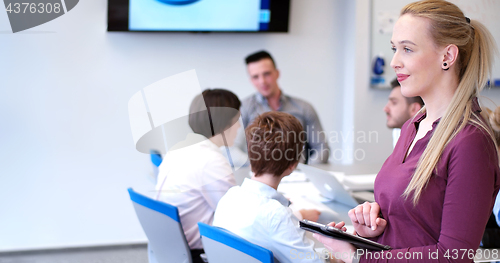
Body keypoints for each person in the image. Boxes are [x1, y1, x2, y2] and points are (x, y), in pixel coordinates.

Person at [314, 1, 500, 262]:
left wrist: (357, 257)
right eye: (394, 49)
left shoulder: (470, 142)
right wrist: (372, 231)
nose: (394, 62)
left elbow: (454, 255)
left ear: (447, 56)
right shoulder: (413, 125)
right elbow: (412, 225)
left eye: (407, 49)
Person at [213, 112, 338, 263]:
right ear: (293, 165)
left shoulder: (229, 198)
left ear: (251, 153)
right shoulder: (276, 215)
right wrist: (339, 252)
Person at [155, 89, 241, 263]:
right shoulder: (211, 161)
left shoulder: (178, 150)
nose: (239, 127)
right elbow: (238, 218)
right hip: (200, 254)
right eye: (237, 120)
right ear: (225, 123)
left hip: (176, 250)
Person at [238, 50, 330, 164]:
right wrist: (256, 167)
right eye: (256, 77)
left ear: (277, 73)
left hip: (298, 176)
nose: (262, 81)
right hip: (260, 175)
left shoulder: (304, 108)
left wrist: (308, 172)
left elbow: (322, 148)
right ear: (251, 80)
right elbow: (233, 149)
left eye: (266, 74)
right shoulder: (244, 108)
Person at [383, 78, 424, 147]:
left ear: (413, 109)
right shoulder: (397, 132)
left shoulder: (425, 143)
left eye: (394, 103)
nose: (385, 109)